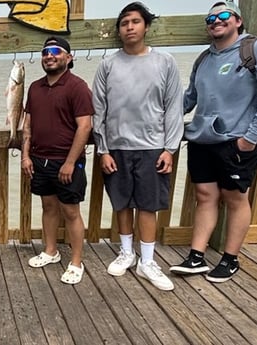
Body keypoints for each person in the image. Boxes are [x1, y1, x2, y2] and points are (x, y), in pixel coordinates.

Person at [169, 1, 257, 283]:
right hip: (202, 140)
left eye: (223, 15)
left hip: (238, 141)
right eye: (210, 18)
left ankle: (230, 258)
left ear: (237, 21)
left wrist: (250, 138)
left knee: (236, 198)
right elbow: (190, 98)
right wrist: (162, 118)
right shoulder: (204, 59)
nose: (216, 21)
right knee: (205, 197)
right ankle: (197, 255)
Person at [92, 2, 183, 291]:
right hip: (117, 146)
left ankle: (147, 261)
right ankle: (126, 253)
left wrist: (170, 148)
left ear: (146, 26)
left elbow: (173, 108)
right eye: (124, 23)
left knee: (148, 205)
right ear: (119, 30)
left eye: (135, 22)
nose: (129, 27)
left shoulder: (165, 62)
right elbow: (99, 110)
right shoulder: (108, 65)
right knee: (121, 203)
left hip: (153, 147)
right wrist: (103, 149)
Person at [22, 36, 94, 285]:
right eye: (45, 52)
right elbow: (28, 125)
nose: (49, 56)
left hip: (66, 162)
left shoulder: (78, 86)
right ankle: (50, 251)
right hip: (39, 160)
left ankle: (76, 262)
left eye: (55, 51)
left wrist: (70, 162)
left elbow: (85, 127)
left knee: (71, 211)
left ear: (68, 57)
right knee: (48, 207)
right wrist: (25, 155)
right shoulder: (34, 87)